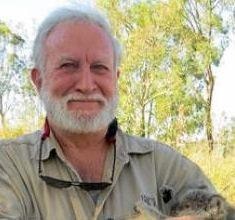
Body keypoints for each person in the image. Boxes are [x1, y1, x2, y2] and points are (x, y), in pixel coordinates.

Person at [0, 4, 216, 220]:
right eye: (68, 65)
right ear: (38, 80)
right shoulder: (8, 165)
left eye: (99, 67)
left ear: (116, 79)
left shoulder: (161, 165)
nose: (86, 85)